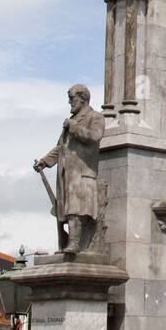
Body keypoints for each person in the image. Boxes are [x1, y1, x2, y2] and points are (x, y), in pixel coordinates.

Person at [34, 84, 105, 254]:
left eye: (72, 99)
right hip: (66, 174)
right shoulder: (71, 121)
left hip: (82, 172)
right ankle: (68, 244)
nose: (69, 102)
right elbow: (61, 147)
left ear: (83, 98)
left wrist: (73, 127)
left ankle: (75, 244)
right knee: (64, 211)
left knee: (77, 209)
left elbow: (94, 136)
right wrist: (45, 161)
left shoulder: (95, 117)